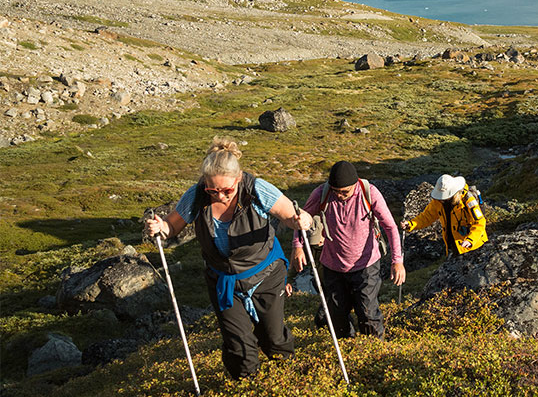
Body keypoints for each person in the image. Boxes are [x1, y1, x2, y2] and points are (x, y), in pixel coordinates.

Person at [144, 137, 307, 379]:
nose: (220, 196)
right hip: (224, 283)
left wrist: (302, 220)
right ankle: (245, 391)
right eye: (213, 190)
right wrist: (160, 228)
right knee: (239, 347)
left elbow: (291, 217)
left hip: (266, 275)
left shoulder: (257, 189)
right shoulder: (197, 196)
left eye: (227, 190)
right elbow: (171, 228)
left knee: (273, 339)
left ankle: (288, 383)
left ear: (238, 179)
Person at [291, 161, 404, 339]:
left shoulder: (369, 193)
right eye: (336, 191)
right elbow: (300, 219)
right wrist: (298, 247)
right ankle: (348, 349)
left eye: (345, 192)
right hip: (332, 266)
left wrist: (397, 261)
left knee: (367, 312)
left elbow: (390, 226)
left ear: (355, 183)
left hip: (366, 265)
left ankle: (374, 351)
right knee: (337, 316)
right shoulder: (322, 193)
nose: (340, 195)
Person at [403, 174, 487, 257]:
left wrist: (470, 240)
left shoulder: (468, 200)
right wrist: (411, 224)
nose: (443, 199)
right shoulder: (438, 201)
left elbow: (480, 222)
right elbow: (427, 216)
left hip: (474, 247)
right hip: (454, 247)